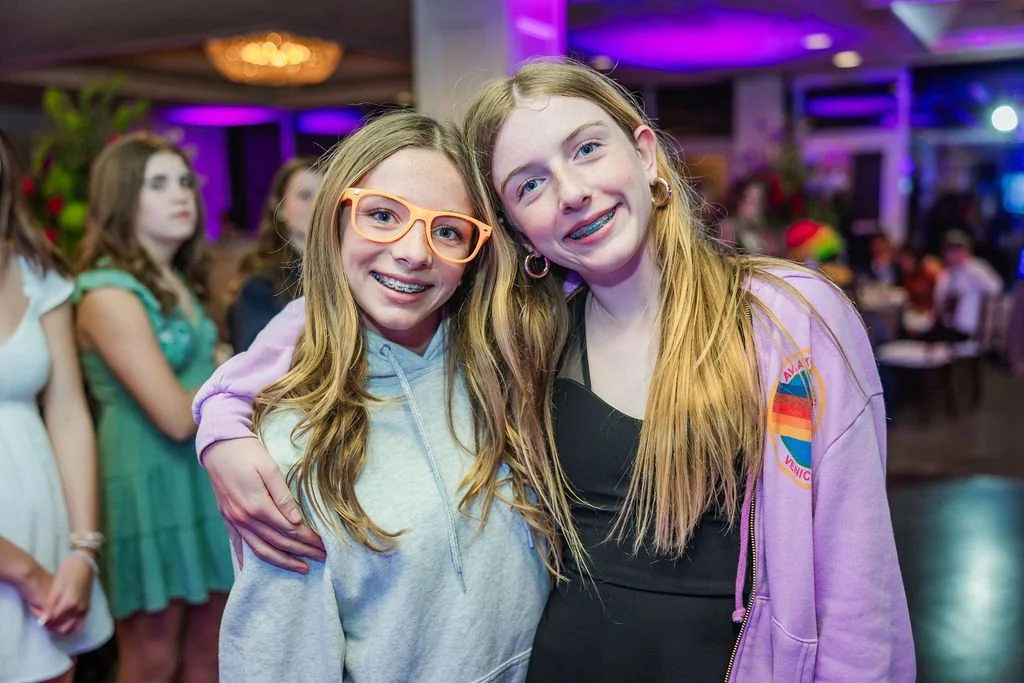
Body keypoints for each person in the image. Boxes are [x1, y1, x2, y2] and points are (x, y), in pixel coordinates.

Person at [193, 60, 914, 681]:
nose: (569, 193)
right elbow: (351, 303)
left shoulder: (786, 320)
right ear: (514, 231)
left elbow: (857, 589)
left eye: (587, 149)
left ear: (646, 154)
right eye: (528, 185)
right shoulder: (532, 336)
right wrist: (222, 416)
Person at [214, 111, 557, 681]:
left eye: (447, 229)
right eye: (381, 216)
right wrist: (220, 425)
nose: (414, 252)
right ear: (335, 225)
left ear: (476, 253)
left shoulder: (511, 372)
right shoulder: (291, 447)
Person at [72, 133, 233, 683]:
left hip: (200, 476)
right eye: (157, 184)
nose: (180, 195)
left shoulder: (184, 282)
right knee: (152, 659)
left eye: (184, 181)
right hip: (146, 479)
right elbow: (171, 413)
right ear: (121, 199)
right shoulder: (107, 292)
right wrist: (230, 365)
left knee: (212, 651)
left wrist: (224, 362)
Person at [0, 129, 113, 683]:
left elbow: (68, 414)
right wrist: (25, 573)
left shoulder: (36, 273)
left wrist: (82, 551)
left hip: (46, 534)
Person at [226, 158, 321, 351]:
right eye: (305, 195)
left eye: (325, 195)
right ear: (279, 208)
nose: (318, 204)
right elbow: (257, 361)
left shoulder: (348, 270)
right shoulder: (260, 284)